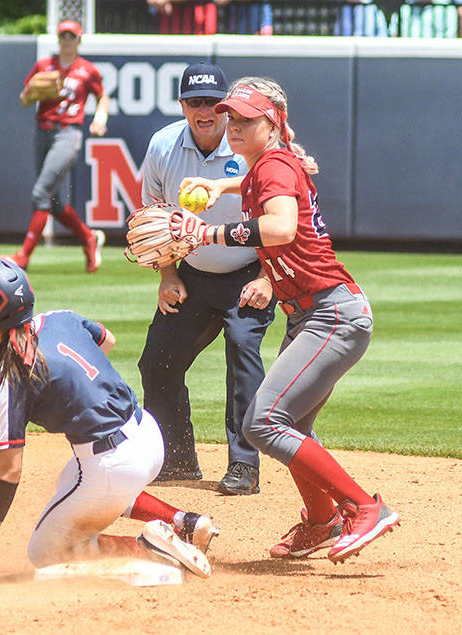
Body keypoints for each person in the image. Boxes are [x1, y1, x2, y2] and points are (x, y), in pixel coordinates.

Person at [174, 76, 399, 562]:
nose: (233, 126)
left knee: (263, 422)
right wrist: (220, 183)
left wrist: (208, 234)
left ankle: (364, 508)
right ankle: (321, 521)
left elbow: (279, 227)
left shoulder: (274, 164)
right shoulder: (269, 164)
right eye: (230, 117)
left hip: (330, 315)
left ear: (271, 124)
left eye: (246, 119)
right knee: (290, 420)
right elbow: (261, 180)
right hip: (316, 314)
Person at [0, 257, 218, 575]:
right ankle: (184, 523)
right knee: (70, 481)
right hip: (147, 434)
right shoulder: (60, 318)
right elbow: (106, 340)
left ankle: (149, 549)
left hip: (113, 465)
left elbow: (9, 470)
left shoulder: (10, 376)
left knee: (45, 552)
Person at [138, 62, 276, 496]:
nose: (204, 111)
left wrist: (269, 279)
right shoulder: (163, 146)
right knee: (157, 360)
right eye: (194, 102)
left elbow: (281, 221)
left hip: (248, 272)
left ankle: (244, 466)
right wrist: (167, 275)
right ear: (182, 105)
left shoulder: (247, 144)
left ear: (225, 107)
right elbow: (155, 216)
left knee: (243, 354)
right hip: (192, 273)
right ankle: (176, 460)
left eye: (212, 103)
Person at [8, 19, 107, 273]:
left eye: (71, 36)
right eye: (63, 35)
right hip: (43, 131)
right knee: (53, 203)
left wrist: (100, 118)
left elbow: (102, 96)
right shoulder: (44, 65)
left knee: (40, 193)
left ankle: (24, 255)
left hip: (67, 133)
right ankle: (88, 237)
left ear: (79, 41)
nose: (66, 40)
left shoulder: (87, 70)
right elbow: (24, 99)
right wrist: (30, 93)